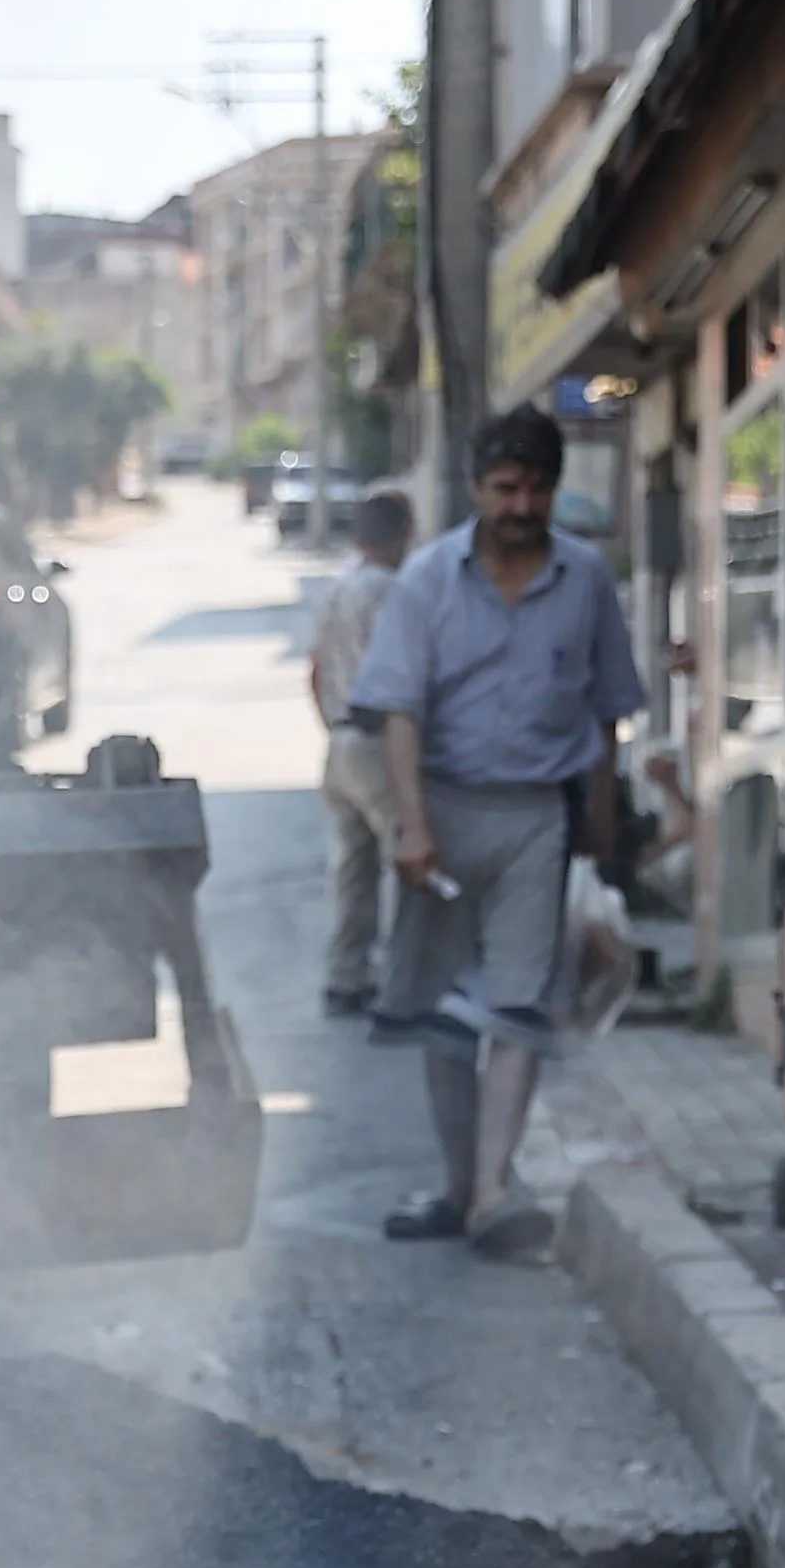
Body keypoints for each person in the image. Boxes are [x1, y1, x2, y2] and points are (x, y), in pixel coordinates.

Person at [347, 407, 646, 1260]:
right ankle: (453, 1183)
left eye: (538, 488)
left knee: (519, 1006)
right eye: (506, 488)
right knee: (442, 1014)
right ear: (477, 489)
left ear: (556, 489)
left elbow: (607, 706)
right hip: (439, 805)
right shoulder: (427, 581)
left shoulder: (584, 577)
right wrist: (409, 823)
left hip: (534, 819)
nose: (522, 504)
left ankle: (489, 1191)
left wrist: (598, 810)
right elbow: (397, 708)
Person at [307, 486, 417, 1017]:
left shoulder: (337, 587)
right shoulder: (392, 591)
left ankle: (345, 977)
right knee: (410, 856)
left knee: (352, 867)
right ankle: (405, 981)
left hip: (341, 740)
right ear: (403, 535)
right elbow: (403, 674)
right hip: (379, 741)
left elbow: (314, 669)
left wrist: (333, 725)